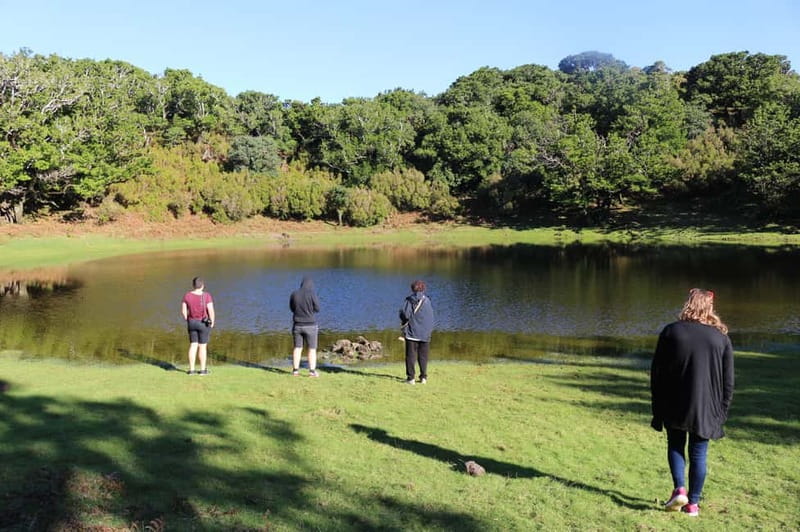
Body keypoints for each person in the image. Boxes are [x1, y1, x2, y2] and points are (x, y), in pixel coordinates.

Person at [650, 288, 734, 517]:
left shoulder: (671, 332)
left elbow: (657, 372)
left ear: (688, 303)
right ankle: (693, 505)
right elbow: (728, 381)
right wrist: (722, 410)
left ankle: (679, 489)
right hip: (706, 406)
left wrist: (657, 405)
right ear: (709, 307)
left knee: (675, 444)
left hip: (674, 401)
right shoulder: (721, 337)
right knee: (699, 453)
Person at [399, 279, 435, 384]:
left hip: (412, 333)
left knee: (411, 356)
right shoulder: (427, 300)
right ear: (423, 289)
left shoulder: (410, 300)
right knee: (423, 356)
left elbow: (405, 315)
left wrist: (401, 318)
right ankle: (423, 377)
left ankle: (411, 378)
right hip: (425, 334)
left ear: (412, 289)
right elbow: (431, 318)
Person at [181, 277, 215, 375]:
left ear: (193, 285)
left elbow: (183, 312)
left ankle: (191, 370)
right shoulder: (207, 295)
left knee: (193, 345)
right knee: (202, 347)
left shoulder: (187, 295)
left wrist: (188, 319)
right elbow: (211, 310)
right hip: (203, 323)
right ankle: (203, 370)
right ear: (202, 286)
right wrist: (212, 322)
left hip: (191, 322)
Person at [289, 276, 320, 377]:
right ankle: (312, 372)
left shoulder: (294, 294)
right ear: (311, 285)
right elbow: (317, 308)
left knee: (297, 348)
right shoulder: (312, 294)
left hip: (297, 325)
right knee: (311, 349)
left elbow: (292, 308)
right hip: (310, 325)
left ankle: (295, 371)